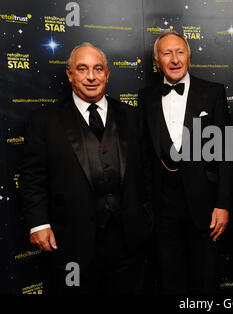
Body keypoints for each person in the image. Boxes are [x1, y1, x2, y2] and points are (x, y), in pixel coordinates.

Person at [20, 42, 152, 294]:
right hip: (71, 240)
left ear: (107, 74)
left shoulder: (131, 116)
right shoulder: (44, 121)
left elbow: (145, 171)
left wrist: (146, 218)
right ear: (70, 74)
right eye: (82, 69)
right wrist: (39, 223)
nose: (91, 76)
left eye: (98, 69)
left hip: (128, 240)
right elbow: (32, 178)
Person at [138, 30, 232, 293]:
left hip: (205, 205)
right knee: (170, 278)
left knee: (205, 278)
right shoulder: (145, 97)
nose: (175, 59)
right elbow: (145, 154)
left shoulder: (212, 92)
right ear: (157, 62)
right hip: (163, 206)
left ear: (189, 57)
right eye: (167, 53)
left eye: (180, 52)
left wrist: (223, 204)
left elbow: (225, 153)